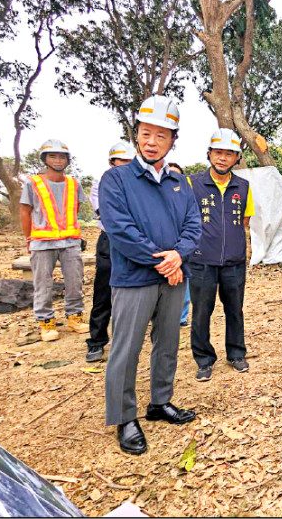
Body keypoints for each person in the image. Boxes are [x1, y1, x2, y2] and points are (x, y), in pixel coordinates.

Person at [99, 95, 201, 455]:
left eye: (161, 135)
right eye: (145, 133)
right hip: (134, 279)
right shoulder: (116, 179)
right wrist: (164, 261)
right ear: (136, 135)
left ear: (173, 139)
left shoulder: (179, 181)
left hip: (174, 279)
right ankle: (125, 417)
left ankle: (160, 402)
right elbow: (120, 230)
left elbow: (193, 224)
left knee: (168, 343)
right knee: (125, 350)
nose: (152, 141)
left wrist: (179, 255)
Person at [187, 129, 254, 382]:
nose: (222, 158)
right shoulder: (192, 183)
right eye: (218, 153)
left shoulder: (244, 187)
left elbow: (244, 221)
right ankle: (204, 359)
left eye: (229, 154)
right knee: (202, 311)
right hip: (201, 259)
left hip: (234, 262)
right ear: (209, 154)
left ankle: (236, 354)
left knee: (234, 309)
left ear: (236, 157)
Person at [19, 139, 87, 342]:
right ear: (45, 159)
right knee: (43, 284)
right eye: (53, 156)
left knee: (75, 282)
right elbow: (25, 211)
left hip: (70, 242)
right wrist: (29, 238)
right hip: (42, 242)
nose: (58, 160)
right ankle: (46, 322)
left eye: (62, 156)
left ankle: (75, 317)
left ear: (68, 160)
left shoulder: (74, 183)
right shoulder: (33, 183)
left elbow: (75, 208)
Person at [85, 142, 136, 362]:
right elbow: (107, 213)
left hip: (137, 242)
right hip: (111, 240)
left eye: (129, 161)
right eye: (121, 161)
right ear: (111, 163)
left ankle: (128, 341)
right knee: (104, 292)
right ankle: (96, 342)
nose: (125, 165)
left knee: (136, 291)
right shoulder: (100, 185)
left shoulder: (140, 185)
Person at [167, 162, 191, 328]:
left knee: (184, 283)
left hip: (183, 247)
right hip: (160, 249)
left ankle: (181, 316)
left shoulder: (187, 198)